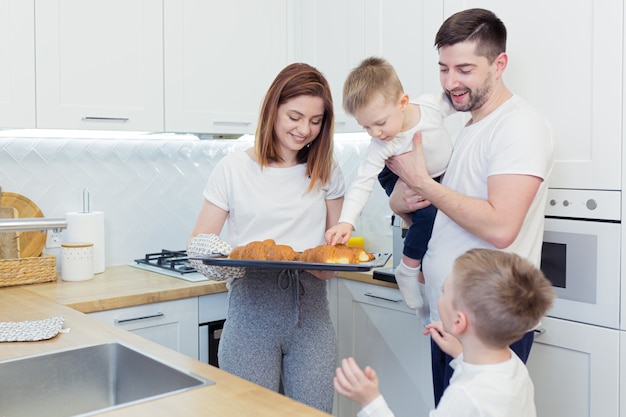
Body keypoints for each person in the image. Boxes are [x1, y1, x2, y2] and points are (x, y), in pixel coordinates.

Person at [385, 8, 554, 405]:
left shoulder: (519, 126)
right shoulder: (470, 127)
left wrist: (425, 182)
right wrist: (404, 198)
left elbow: (500, 226)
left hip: (488, 324)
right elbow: (447, 210)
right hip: (453, 317)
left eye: (464, 69)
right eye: (443, 69)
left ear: (500, 64)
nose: (450, 83)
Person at [187, 63, 345, 413]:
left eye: (316, 121)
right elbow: (198, 247)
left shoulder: (327, 172)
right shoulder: (232, 170)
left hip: (312, 318)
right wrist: (231, 267)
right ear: (272, 108)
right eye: (295, 116)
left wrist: (327, 265)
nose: (304, 129)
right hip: (250, 317)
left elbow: (334, 257)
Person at [334, 248, 555, 417]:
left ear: (459, 321)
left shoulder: (463, 395)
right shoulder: (513, 366)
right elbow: (483, 378)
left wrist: (370, 401)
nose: (439, 296)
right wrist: (460, 352)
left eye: (443, 292)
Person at [325, 57, 454, 311]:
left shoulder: (429, 106)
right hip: (395, 175)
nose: (374, 133)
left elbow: (456, 100)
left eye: (380, 123)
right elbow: (362, 182)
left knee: (444, 219)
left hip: (438, 176)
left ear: (403, 103)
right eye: (366, 127)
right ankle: (407, 268)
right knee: (428, 215)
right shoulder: (383, 144)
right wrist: (346, 221)